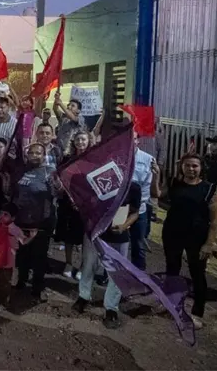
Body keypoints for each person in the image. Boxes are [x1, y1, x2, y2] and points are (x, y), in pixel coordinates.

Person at [157, 154, 217, 329]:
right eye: (187, 165)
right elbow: (156, 194)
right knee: (172, 270)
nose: (191, 169)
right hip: (172, 233)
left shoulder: (211, 189)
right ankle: (171, 304)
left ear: (201, 168)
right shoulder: (174, 183)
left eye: (195, 166)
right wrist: (157, 175)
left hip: (197, 237)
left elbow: (215, 221)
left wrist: (209, 243)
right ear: (182, 167)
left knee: (197, 274)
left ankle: (197, 313)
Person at [72, 182, 143, 329]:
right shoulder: (96, 181)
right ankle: (83, 296)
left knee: (116, 273)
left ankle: (111, 308)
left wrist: (124, 226)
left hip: (119, 237)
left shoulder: (133, 187)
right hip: (95, 234)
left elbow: (135, 212)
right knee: (88, 266)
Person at [11, 142, 63, 302]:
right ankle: (21, 280)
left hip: (41, 223)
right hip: (21, 222)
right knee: (22, 255)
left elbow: (58, 195)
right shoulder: (20, 171)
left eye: (37, 153)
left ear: (43, 155)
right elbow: (13, 193)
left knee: (39, 258)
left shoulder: (50, 172)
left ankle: (37, 288)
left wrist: (58, 188)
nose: (34, 156)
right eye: (31, 153)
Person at [0, 203, 34, 311]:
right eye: (1, 213)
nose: (2, 216)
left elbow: (23, 241)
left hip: (8, 261)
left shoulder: (15, 229)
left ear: (13, 218)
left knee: (4, 282)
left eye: (6, 214)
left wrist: (31, 236)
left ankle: (3, 302)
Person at [55, 130, 91, 279]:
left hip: (86, 203)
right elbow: (61, 177)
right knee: (68, 235)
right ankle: (68, 263)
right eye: (77, 140)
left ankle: (83, 266)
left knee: (84, 236)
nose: (80, 142)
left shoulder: (93, 158)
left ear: (89, 141)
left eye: (83, 140)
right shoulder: (67, 158)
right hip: (68, 201)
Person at [130, 134, 158, 270]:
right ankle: (111, 275)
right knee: (117, 243)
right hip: (120, 208)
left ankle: (139, 276)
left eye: (134, 138)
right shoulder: (116, 155)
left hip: (139, 208)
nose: (130, 141)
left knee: (138, 244)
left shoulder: (148, 159)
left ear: (138, 141)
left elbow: (151, 185)